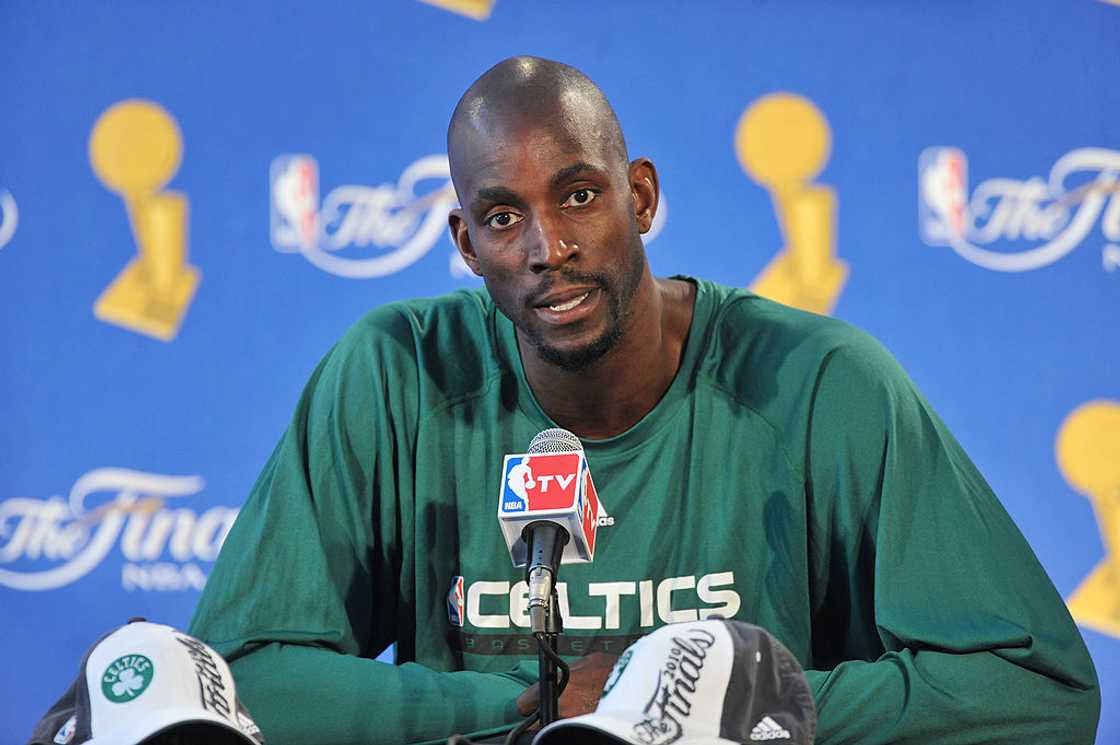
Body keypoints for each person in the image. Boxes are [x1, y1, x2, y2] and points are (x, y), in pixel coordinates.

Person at [189, 56, 1100, 745]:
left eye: (579, 195)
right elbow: (237, 680)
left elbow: (1035, 688)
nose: (548, 246)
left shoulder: (822, 382)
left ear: (643, 196)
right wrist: (535, 707)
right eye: (505, 217)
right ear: (468, 245)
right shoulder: (394, 375)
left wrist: (725, 702)